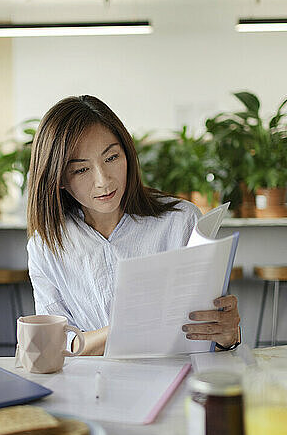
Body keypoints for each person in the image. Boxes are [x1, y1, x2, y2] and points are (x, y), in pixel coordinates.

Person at [26, 95, 240, 356]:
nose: (103, 181)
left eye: (112, 157)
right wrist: (139, 325)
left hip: (174, 380)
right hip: (89, 389)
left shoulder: (181, 221)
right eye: (81, 170)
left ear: (127, 153)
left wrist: (228, 336)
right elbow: (54, 344)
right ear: (58, 178)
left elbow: (211, 335)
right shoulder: (46, 245)